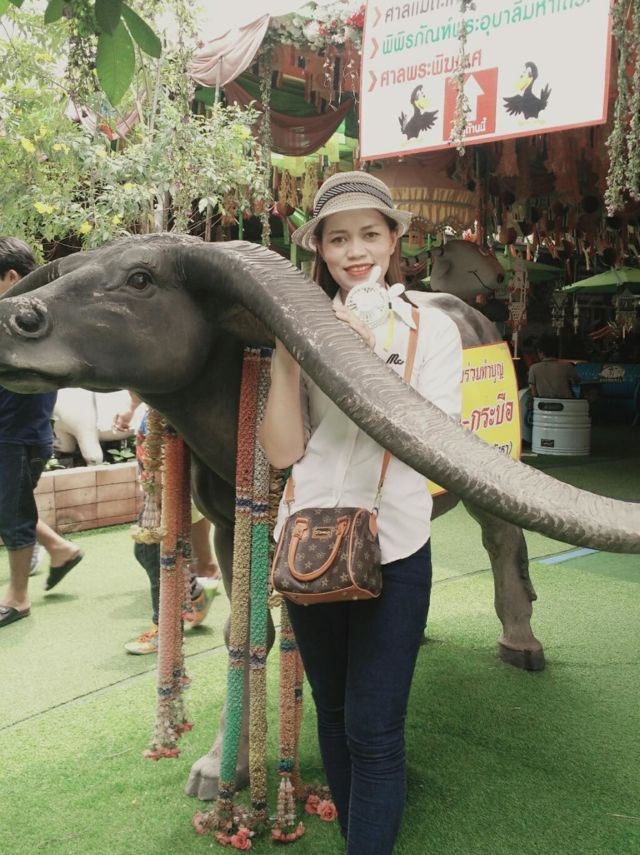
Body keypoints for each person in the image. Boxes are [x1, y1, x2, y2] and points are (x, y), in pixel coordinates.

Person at [258, 171, 463, 854]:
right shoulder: (304, 326)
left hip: (395, 545)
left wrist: (358, 354)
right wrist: (290, 352)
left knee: (374, 731)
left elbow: (433, 443)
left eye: (369, 234)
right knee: (335, 714)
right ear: (318, 248)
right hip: (308, 544)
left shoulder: (431, 331)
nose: (355, 251)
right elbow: (282, 450)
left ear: (394, 239)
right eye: (338, 238)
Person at [0, 237, 84, 629]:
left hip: (16, 435)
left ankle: (17, 598)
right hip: (19, 432)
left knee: (14, 514)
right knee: (11, 506)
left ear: (11, 277)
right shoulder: (33, 316)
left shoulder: (25, 319)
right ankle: (60, 548)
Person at [114, 395, 221, 655]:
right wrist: (131, 407)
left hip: (171, 440)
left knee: (152, 549)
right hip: (157, 438)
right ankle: (192, 591)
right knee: (151, 548)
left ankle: (167, 626)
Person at [528, 334, 580, 399]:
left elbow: (534, 393)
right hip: (567, 403)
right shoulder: (567, 366)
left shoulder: (533, 368)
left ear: (540, 352)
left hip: (543, 404)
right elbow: (577, 381)